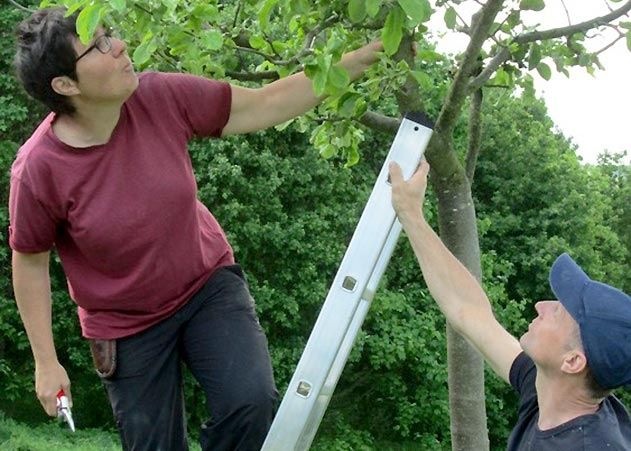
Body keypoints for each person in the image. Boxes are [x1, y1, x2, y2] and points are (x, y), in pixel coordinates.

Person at [9, 6, 382, 450]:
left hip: (205, 285)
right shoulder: (38, 169)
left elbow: (266, 102)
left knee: (251, 403)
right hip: (125, 324)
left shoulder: (159, 97)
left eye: (111, 34)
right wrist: (45, 362)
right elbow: (29, 262)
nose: (121, 46)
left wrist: (360, 59)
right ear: (66, 85)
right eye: (101, 45)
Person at [389, 160, 631, 450]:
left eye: (558, 312)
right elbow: (469, 312)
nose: (541, 305)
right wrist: (411, 213)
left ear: (573, 361)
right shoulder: (552, 390)